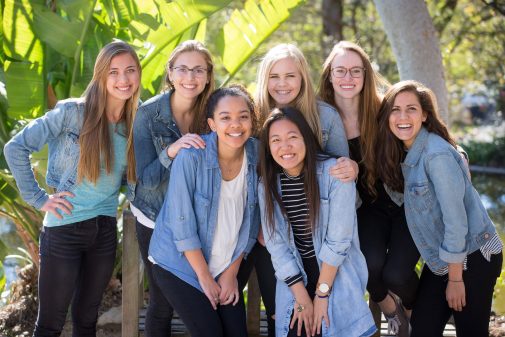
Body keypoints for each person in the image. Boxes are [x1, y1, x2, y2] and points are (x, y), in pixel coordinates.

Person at [3, 41, 141, 337]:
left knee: (87, 320)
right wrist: (38, 198)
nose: (123, 79)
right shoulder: (72, 113)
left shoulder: (135, 120)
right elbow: (15, 148)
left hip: (104, 231)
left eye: (130, 70)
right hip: (64, 230)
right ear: (101, 76)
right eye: (114, 72)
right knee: (51, 324)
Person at [236, 44, 359, 337]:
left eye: (290, 75)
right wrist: (260, 225)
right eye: (274, 76)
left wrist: (351, 167)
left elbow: (340, 171)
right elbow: (245, 176)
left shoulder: (325, 117)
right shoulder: (252, 117)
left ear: (303, 77)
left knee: (320, 318)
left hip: (319, 231)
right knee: (283, 311)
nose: (282, 84)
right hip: (271, 229)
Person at [375, 80, 503, 337]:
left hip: (474, 255)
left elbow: (456, 223)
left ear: (424, 114)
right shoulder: (404, 152)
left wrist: (456, 281)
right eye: (395, 109)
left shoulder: (437, 156)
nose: (402, 117)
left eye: (411, 109)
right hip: (442, 262)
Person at [317, 41, 419, 337]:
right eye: (340, 71)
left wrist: (459, 155)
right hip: (363, 208)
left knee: (397, 274)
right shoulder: (319, 117)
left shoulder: (384, 107)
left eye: (355, 71)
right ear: (329, 75)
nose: (348, 77)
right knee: (369, 265)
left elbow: (426, 132)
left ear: (365, 75)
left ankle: (414, 310)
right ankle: (389, 309)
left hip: (403, 203)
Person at [148, 85, 260, 337]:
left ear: (252, 121)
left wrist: (231, 273)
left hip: (225, 264)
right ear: (211, 123)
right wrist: (205, 278)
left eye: (243, 116)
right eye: (225, 118)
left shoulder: (257, 154)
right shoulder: (191, 157)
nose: (236, 124)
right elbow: (182, 224)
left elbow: (252, 221)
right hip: (179, 264)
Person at [258, 107, 376, 337]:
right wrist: (302, 298)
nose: (285, 146)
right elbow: (276, 245)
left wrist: (322, 295)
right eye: (276, 140)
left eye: (293, 137)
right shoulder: (267, 185)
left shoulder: (335, 172)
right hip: (295, 279)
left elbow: (339, 241)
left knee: (331, 328)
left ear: (306, 137)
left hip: (335, 275)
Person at [130, 40, 214, 337]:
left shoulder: (214, 112)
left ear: (207, 75)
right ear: (170, 72)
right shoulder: (148, 115)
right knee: (163, 302)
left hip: (196, 218)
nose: (190, 77)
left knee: (201, 295)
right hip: (155, 216)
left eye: (198, 70)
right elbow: (145, 181)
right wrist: (173, 150)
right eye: (183, 69)